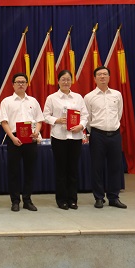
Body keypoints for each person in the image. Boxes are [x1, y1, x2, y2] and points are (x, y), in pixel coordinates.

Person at [43, 70, 88, 210]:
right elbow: (45, 116)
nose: (66, 82)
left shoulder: (78, 97)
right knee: (61, 170)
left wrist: (81, 126)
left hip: (75, 137)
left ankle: (72, 199)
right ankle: (61, 200)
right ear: (58, 81)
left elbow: (85, 116)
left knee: (73, 169)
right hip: (59, 137)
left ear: (71, 81)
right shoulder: (52, 98)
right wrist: (57, 120)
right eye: (63, 79)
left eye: (68, 79)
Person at [0, 72, 44, 212]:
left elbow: (39, 120)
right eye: (18, 82)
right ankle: (15, 201)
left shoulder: (33, 101)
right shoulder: (6, 101)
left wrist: (36, 132)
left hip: (30, 137)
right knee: (13, 171)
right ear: (13, 85)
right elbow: (4, 122)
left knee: (30, 170)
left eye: (23, 82)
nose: (20, 84)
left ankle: (27, 200)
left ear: (26, 84)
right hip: (14, 138)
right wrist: (12, 138)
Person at [84, 66, 127, 209]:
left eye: (105, 74)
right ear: (94, 78)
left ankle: (114, 197)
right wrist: (95, 131)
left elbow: (119, 114)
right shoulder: (89, 97)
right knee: (97, 167)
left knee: (115, 166)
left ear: (109, 77)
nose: (102, 77)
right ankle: (99, 197)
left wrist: (112, 127)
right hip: (98, 135)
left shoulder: (117, 95)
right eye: (99, 75)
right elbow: (88, 118)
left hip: (114, 134)